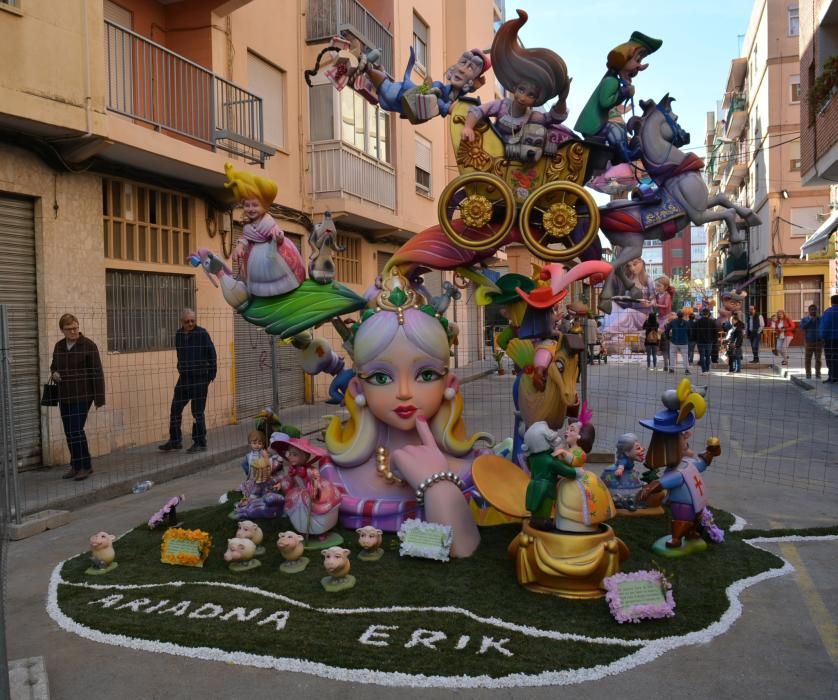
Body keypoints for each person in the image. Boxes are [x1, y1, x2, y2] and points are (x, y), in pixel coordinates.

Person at [319, 271, 492, 558]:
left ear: (449, 384)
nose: (403, 392)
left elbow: (464, 551)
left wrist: (437, 482)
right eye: (381, 377)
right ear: (357, 387)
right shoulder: (332, 477)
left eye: (425, 374)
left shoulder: (479, 473)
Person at [462, 11, 572, 151]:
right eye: (521, 90)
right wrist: (468, 127)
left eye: (531, 95)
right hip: (494, 151)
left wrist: (562, 100)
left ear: (536, 99)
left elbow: (552, 119)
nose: (524, 97)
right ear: (514, 88)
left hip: (518, 158)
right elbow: (479, 111)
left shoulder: (532, 116)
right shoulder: (501, 106)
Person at [575, 31, 662, 163]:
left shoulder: (613, 80)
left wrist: (624, 92)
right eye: (637, 60)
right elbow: (605, 102)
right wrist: (623, 93)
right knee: (614, 128)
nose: (639, 66)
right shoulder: (611, 81)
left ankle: (621, 152)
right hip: (593, 124)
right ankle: (624, 153)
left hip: (597, 123)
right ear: (624, 58)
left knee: (619, 129)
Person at [225, 163, 305, 298]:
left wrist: (278, 237)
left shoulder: (269, 223)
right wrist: (240, 245)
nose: (250, 209)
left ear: (265, 206)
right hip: (255, 261)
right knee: (258, 281)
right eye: (247, 205)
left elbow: (279, 238)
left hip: (272, 258)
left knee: (277, 276)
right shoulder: (247, 227)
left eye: (255, 205)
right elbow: (246, 238)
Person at [50, 313, 105, 481]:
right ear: (62, 330)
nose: (73, 331)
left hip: (83, 395)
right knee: (69, 431)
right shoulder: (59, 346)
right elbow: (53, 366)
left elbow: (97, 373)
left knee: (76, 430)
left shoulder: (88, 346)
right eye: (69, 329)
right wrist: (55, 373)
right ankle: (75, 465)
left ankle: (85, 466)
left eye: (75, 327)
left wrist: (99, 398)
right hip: (64, 395)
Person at [159, 309, 217, 453]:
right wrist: (181, 368)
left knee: (197, 412)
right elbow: (180, 353)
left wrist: (209, 376)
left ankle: (200, 442)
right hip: (184, 378)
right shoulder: (179, 335)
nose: (190, 324)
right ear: (182, 322)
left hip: (200, 378)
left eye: (192, 321)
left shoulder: (202, 333)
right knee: (175, 409)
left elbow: (212, 353)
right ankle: (175, 440)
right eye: (187, 321)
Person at [800, 304, 824, 380]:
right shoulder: (805, 319)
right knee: (807, 359)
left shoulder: (820, 319)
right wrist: (810, 321)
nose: (813, 311)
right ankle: (808, 374)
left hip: (819, 342)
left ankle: (818, 374)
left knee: (818, 359)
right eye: (812, 310)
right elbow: (802, 327)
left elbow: (823, 328)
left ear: (817, 311)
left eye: (815, 309)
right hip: (809, 341)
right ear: (809, 311)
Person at [820, 294, 838, 383]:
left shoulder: (828, 312)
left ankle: (832, 377)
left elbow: (825, 326)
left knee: (831, 358)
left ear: (831, 302)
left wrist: (822, 337)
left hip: (830, 339)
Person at [666, 310, 691, 374]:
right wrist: (688, 338)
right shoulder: (686, 323)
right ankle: (686, 370)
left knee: (672, 355)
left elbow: (667, 329)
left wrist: (668, 337)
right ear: (683, 316)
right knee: (685, 356)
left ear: (677, 315)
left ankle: (672, 369)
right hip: (684, 342)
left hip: (674, 341)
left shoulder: (673, 322)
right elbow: (690, 332)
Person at [694, 307, 717, 374]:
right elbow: (715, 332)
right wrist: (714, 340)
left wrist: (696, 339)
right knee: (708, 356)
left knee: (701, 355)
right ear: (708, 314)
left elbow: (694, 331)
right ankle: (707, 369)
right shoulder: (712, 322)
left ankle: (703, 370)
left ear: (701, 314)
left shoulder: (697, 322)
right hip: (709, 342)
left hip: (700, 342)